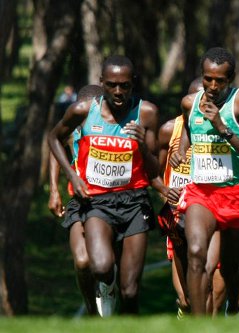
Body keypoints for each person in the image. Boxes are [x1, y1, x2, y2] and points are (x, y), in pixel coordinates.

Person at [48, 55, 159, 316]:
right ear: (102, 83)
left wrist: (142, 144)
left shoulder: (147, 113)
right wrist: (71, 178)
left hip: (134, 201)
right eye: (111, 85)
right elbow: (54, 138)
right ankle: (103, 291)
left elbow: (154, 171)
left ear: (133, 84)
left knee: (131, 291)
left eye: (124, 85)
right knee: (97, 266)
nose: (118, 92)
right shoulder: (83, 112)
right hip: (94, 200)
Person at [171, 47, 239, 315]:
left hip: (234, 193)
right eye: (207, 79)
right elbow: (190, 128)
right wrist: (181, 151)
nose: (212, 86)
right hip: (201, 194)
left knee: (231, 266)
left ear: (231, 78)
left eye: (219, 80)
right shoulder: (190, 103)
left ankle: (233, 305)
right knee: (197, 254)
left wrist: (223, 128)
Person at [155, 77, 224, 318]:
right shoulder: (168, 130)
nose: (200, 105)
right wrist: (165, 191)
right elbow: (152, 173)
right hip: (177, 216)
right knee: (186, 300)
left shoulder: (221, 127)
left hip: (212, 211)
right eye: (194, 100)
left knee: (210, 290)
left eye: (204, 100)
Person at [48, 84, 103, 315]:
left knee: (107, 266)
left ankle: (111, 296)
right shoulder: (71, 130)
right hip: (80, 203)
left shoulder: (110, 128)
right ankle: (91, 309)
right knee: (82, 262)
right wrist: (54, 189)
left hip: (111, 201)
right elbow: (55, 145)